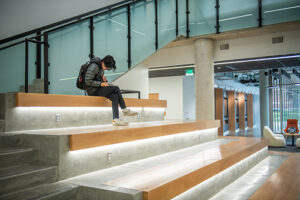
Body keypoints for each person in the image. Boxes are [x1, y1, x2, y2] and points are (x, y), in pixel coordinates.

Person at [85, 55, 138, 126]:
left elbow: (99, 81)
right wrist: (101, 84)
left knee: (114, 96)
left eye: (108, 68)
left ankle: (116, 119)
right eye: (106, 67)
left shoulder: (100, 67)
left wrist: (105, 81)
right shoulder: (94, 66)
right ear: (102, 62)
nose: (106, 69)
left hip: (97, 88)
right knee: (116, 88)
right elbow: (87, 81)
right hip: (92, 91)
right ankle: (124, 109)